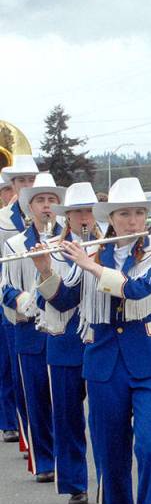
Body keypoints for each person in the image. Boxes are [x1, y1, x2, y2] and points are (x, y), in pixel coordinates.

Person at [57, 177, 151, 504]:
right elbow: (62, 301)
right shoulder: (92, 251)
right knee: (110, 448)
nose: (133, 220)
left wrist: (90, 268)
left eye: (139, 213)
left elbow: (139, 290)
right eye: (125, 213)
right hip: (104, 358)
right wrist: (47, 265)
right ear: (110, 217)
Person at [34, 182, 101, 504]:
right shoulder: (51, 248)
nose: (84, 218)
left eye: (88, 211)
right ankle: (75, 483)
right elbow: (53, 300)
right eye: (77, 213)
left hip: (101, 342)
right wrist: (45, 270)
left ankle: (107, 480)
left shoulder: (110, 247)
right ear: (68, 217)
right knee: (67, 417)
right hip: (65, 342)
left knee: (105, 418)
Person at [2, 172, 63, 482]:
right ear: (29, 207)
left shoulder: (72, 241)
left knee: (66, 398)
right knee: (35, 396)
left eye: (52, 200)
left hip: (65, 328)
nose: (47, 206)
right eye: (40, 200)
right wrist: (22, 299)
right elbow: (5, 287)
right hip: (30, 328)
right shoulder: (15, 244)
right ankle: (45, 460)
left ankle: (66, 456)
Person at [0, 156, 38, 450]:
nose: (26, 186)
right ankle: (17, 427)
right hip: (12, 304)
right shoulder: (2, 221)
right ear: (11, 185)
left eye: (31, 180)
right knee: (13, 369)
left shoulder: (53, 218)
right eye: (21, 181)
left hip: (52, 305)